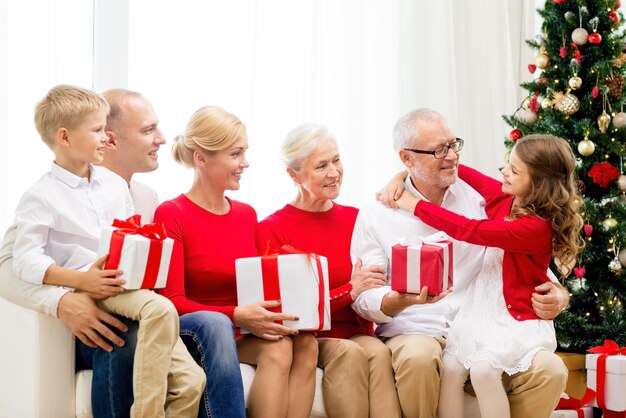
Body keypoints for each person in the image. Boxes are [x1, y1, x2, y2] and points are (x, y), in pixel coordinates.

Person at [0, 88, 246, 418]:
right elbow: (12, 263)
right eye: (148, 130)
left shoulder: (140, 195)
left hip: (135, 300)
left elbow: (137, 246)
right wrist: (64, 298)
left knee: (202, 343)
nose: (162, 139)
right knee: (128, 330)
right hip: (97, 310)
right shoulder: (43, 196)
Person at [351, 108, 570, 418]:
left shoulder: (483, 199)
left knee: (552, 370)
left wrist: (560, 292)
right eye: (441, 149)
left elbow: (516, 259)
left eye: (454, 144)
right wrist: (394, 301)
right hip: (419, 328)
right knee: (419, 358)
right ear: (406, 157)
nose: (453, 156)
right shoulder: (377, 213)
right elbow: (364, 296)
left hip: (483, 323)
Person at [154, 106, 319, 418]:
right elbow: (172, 302)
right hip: (203, 335)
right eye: (235, 154)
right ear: (201, 159)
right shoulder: (172, 213)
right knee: (279, 349)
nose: (245, 163)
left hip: (244, 330)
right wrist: (237, 316)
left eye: (244, 152)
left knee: (307, 343)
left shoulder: (246, 214)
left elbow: (255, 284)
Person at [255, 123, 411, 418]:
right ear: (294, 175)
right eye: (321, 165)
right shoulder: (272, 229)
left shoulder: (357, 219)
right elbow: (289, 312)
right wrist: (348, 290)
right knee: (351, 353)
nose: (334, 172)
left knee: (378, 352)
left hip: (356, 328)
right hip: (308, 336)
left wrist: (400, 176)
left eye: (337, 160)